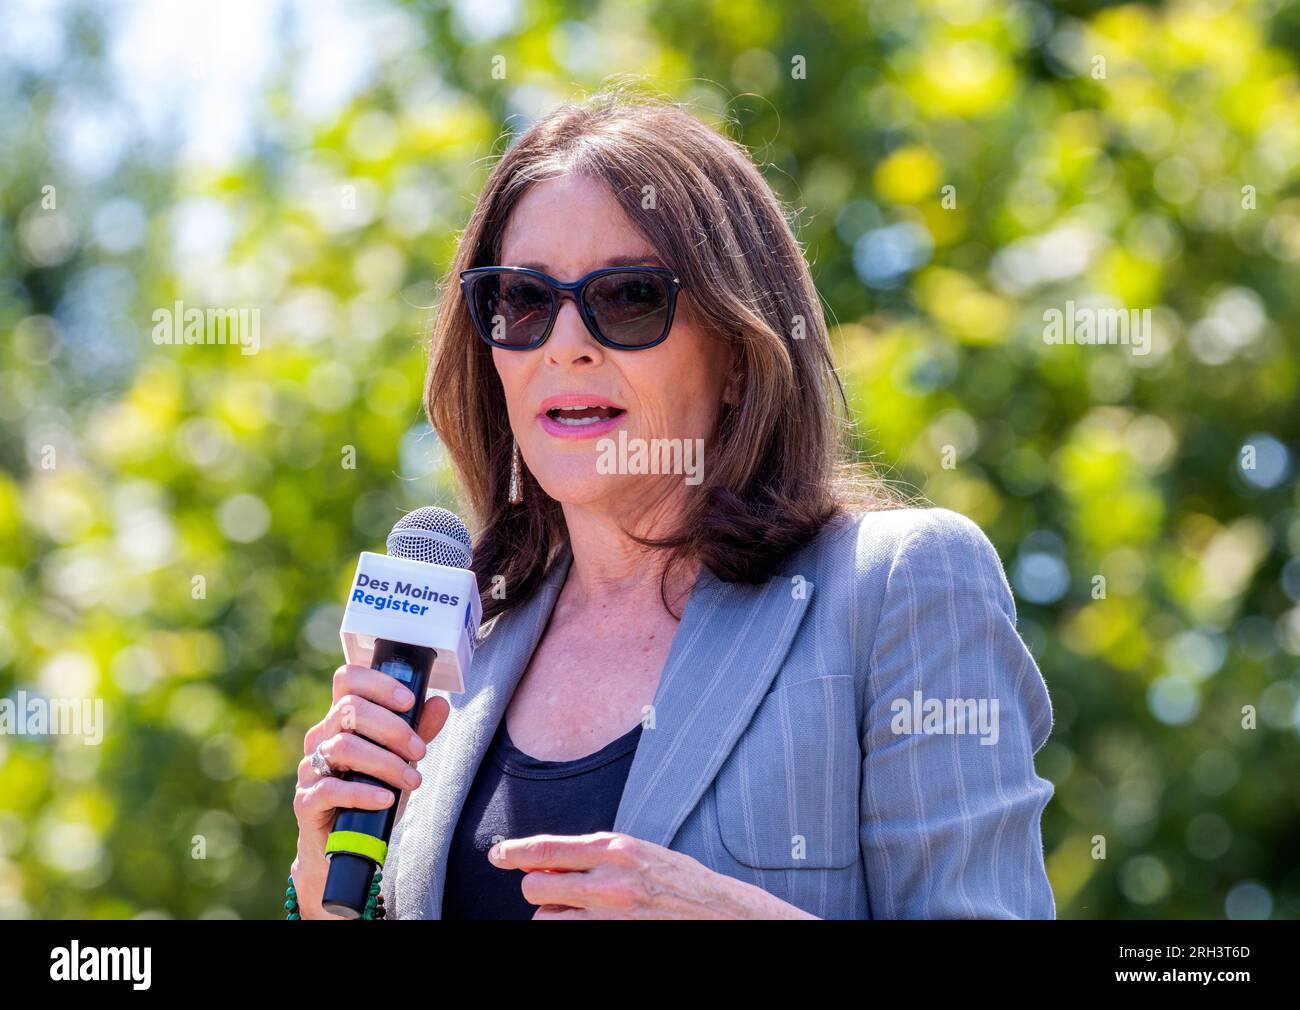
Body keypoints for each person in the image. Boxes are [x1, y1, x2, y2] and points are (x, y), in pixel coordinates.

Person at [291, 87, 1056, 919]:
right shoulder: (460, 657)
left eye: (628, 298)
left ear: (737, 354)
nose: (567, 345)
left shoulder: (900, 588)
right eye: (524, 301)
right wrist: (319, 888)